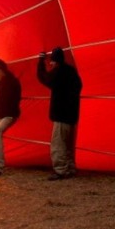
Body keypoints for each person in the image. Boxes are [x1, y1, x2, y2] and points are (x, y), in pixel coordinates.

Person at [36, 47, 82, 180]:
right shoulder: (72, 71)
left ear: (54, 61)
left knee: (58, 144)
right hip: (72, 115)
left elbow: (43, 77)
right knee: (69, 144)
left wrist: (40, 61)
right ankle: (70, 168)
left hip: (61, 115)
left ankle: (61, 170)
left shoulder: (58, 72)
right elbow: (80, 86)